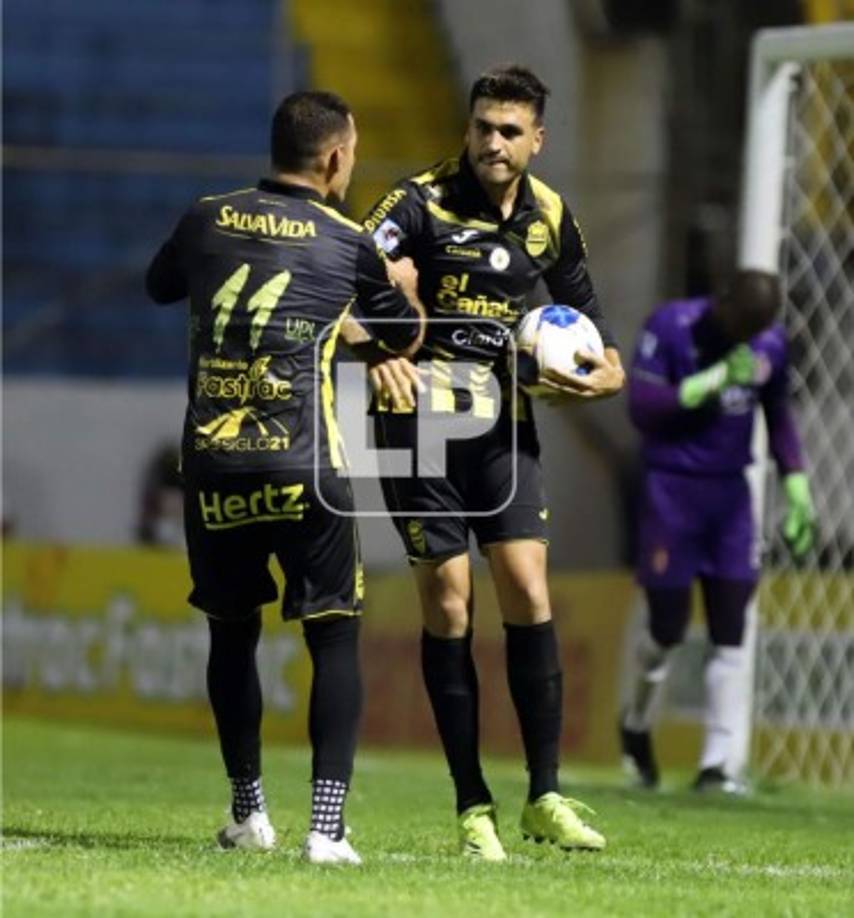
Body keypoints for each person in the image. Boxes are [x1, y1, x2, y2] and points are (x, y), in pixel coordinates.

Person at [353, 65, 625, 860]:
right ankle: (473, 805)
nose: (493, 142)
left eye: (509, 131)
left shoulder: (549, 217)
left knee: (529, 589)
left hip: (503, 427)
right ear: (468, 128)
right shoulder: (416, 204)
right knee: (448, 604)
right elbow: (338, 284)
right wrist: (377, 351)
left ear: (538, 139)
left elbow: (595, 332)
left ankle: (545, 795)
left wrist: (602, 376)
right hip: (417, 428)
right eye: (482, 127)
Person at [145, 91, 422, 864]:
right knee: (333, 636)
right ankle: (326, 830)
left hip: (214, 466)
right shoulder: (348, 241)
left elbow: (160, 286)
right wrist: (397, 284)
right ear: (334, 157)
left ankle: (249, 814)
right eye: (352, 153)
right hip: (306, 467)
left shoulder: (207, 216)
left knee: (232, 636)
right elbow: (403, 338)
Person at [620, 269, 815, 792]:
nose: (744, 338)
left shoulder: (769, 344)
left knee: (732, 625)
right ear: (720, 301)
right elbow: (642, 407)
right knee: (667, 628)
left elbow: (778, 412)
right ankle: (635, 724)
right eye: (739, 325)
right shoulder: (670, 326)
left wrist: (796, 481)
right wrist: (705, 385)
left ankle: (719, 765)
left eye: (755, 330)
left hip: (731, 498)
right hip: (672, 490)